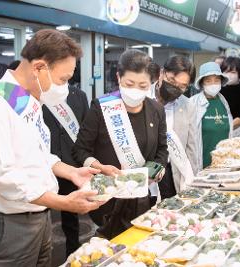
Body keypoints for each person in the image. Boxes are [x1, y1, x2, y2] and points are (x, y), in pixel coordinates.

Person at [0, 29, 105, 267]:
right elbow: (3, 177)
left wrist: (71, 172)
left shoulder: (26, 99)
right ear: (39, 67)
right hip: (7, 225)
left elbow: (38, 154)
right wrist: (64, 203)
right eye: (63, 79)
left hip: (38, 216)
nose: (65, 87)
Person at [72, 49, 168, 239]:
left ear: (152, 83)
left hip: (142, 195)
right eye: (129, 84)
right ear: (118, 77)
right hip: (108, 197)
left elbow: (162, 150)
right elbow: (79, 150)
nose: (135, 90)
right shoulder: (102, 107)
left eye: (143, 85)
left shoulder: (156, 109)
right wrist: (98, 166)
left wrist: (157, 169)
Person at [42, 66, 89, 256]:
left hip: (71, 163)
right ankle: (44, 246)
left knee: (71, 212)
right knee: (42, 209)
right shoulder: (40, 93)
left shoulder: (79, 95)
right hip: (45, 162)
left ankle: (72, 247)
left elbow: (85, 129)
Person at [151, 56, 199, 199]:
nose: (175, 88)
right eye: (171, 81)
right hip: (145, 175)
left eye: (182, 86)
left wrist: (193, 182)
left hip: (173, 174)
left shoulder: (187, 105)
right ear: (161, 73)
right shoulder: (142, 99)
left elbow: (191, 148)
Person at [191, 62, 233, 169]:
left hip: (223, 162)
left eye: (216, 80)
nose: (213, 84)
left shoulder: (223, 101)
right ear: (202, 83)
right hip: (202, 162)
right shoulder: (193, 103)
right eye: (208, 81)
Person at [220, 57, 240, 137]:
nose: (229, 75)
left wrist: (225, 128)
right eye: (226, 72)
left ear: (239, 74)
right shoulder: (217, 89)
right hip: (216, 129)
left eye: (233, 72)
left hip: (235, 130)